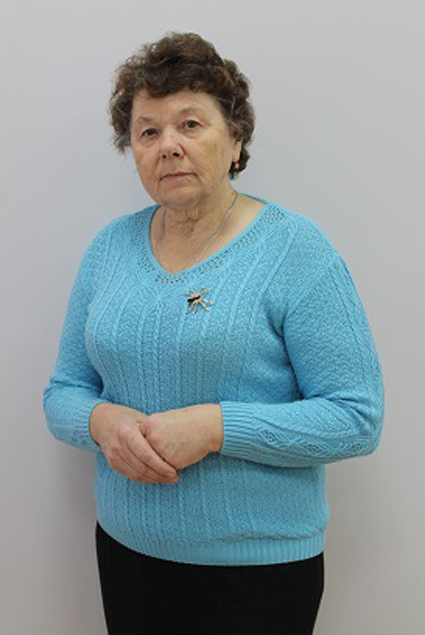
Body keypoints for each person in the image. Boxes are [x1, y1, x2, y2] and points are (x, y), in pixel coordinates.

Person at [43, 32, 384, 635]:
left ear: (236, 138)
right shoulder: (109, 249)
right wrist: (101, 423)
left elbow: (356, 417)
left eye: (190, 124)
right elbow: (63, 391)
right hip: (126, 552)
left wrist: (213, 428)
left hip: (256, 574)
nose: (168, 146)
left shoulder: (296, 251)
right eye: (148, 132)